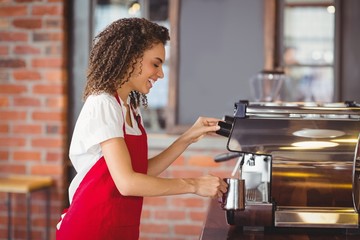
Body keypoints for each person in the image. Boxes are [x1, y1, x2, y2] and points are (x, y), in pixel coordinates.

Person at [56, 17, 228, 240]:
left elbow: (140, 172)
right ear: (130, 58)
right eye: (155, 64)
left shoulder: (130, 109)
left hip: (119, 228)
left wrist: (187, 137)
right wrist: (194, 185)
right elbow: (127, 183)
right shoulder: (103, 103)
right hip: (91, 229)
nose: (160, 73)